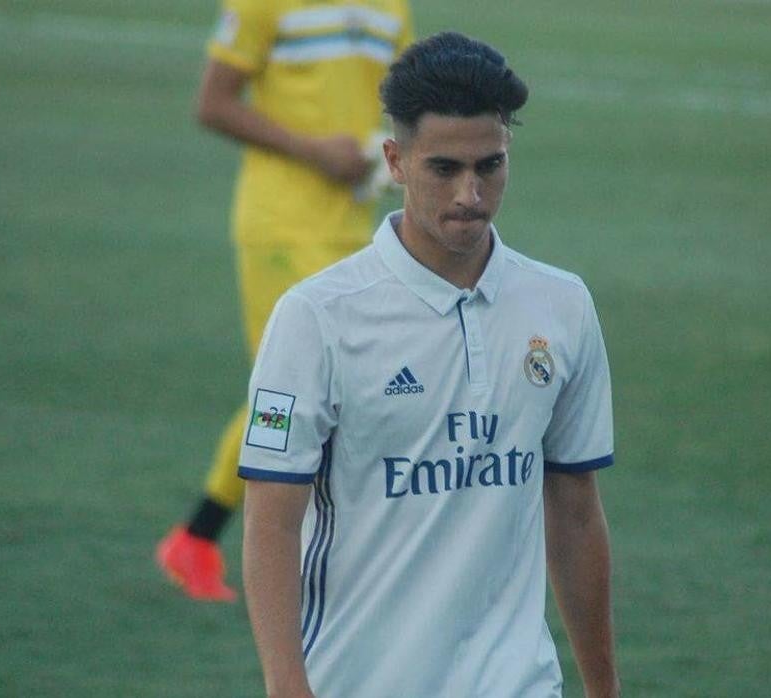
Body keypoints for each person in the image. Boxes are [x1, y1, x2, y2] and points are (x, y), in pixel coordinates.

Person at [239, 32, 620, 698]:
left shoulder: (561, 306)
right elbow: (272, 517)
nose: (471, 194)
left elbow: (576, 512)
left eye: (490, 166)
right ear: (396, 160)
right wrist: (286, 685)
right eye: (445, 168)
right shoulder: (314, 318)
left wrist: (604, 688)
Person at [156, 0, 414, 601]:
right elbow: (212, 104)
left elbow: (405, 100)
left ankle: (197, 539)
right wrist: (313, 151)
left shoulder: (391, 7)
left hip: (356, 225)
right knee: (292, 390)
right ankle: (219, 541)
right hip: (281, 226)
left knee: (325, 389)